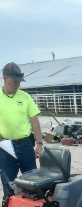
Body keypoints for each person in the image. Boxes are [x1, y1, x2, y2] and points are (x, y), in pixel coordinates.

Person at [0, 61, 43, 195]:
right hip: (4, 146)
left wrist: (39, 143)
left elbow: (35, 122)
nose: (18, 84)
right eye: (15, 81)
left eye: (20, 81)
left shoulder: (25, 97)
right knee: (8, 184)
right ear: (5, 78)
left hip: (25, 145)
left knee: (32, 183)